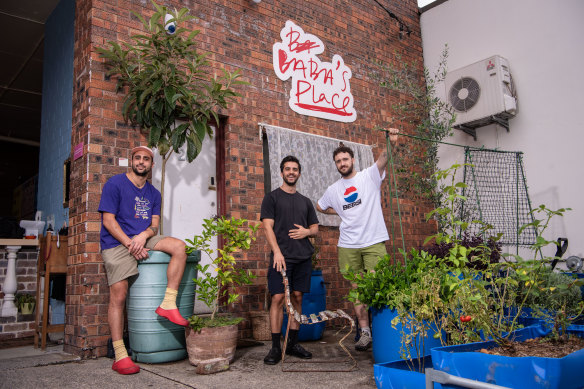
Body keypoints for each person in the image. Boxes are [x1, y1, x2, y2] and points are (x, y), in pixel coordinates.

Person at [98, 145, 188, 375]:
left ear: (152, 165)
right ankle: (120, 355)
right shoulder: (115, 184)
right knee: (118, 295)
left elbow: (155, 224)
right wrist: (130, 243)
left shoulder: (153, 193)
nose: (141, 162)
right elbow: (108, 221)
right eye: (137, 158)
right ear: (132, 161)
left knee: (179, 247)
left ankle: (168, 303)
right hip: (117, 243)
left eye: (146, 159)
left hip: (141, 238)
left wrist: (143, 236)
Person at [316, 130, 398, 351]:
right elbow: (320, 206)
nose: (342, 163)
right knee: (357, 290)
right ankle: (365, 332)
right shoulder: (334, 189)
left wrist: (391, 142)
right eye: (338, 161)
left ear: (352, 160)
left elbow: (383, 159)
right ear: (336, 164)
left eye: (345, 159)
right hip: (348, 245)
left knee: (377, 286)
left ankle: (382, 329)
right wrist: (340, 213)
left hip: (373, 242)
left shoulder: (368, 176)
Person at [260, 155, 319, 365]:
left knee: (297, 298)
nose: (291, 172)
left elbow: (315, 229)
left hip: (303, 257)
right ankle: (276, 347)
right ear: (282, 172)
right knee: (276, 298)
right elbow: (267, 226)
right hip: (281, 258)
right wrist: (276, 252)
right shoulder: (272, 198)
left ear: (299, 173)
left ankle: (292, 344)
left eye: (295, 169)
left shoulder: (305, 202)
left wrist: (306, 232)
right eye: (287, 169)